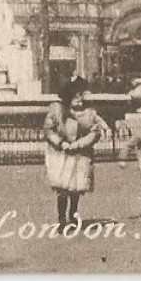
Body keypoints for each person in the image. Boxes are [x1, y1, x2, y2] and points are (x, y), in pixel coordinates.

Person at [43, 79, 108, 228]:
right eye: (77, 95)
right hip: (61, 154)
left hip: (80, 155)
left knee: (76, 188)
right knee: (62, 188)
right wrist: (61, 142)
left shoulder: (89, 114)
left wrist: (79, 144)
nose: (80, 98)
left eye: (81, 94)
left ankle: (72, 214)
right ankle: (61, 219)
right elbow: (48, 130)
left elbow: (94, 132)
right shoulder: (57, 111)